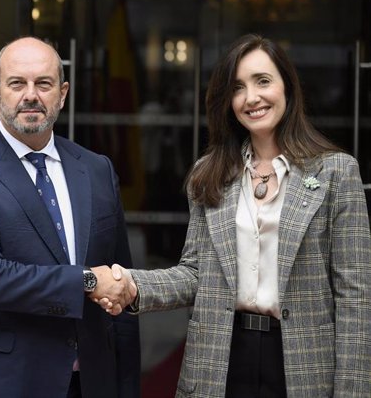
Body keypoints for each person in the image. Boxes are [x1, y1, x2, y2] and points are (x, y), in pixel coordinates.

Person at [101, 33, 371, 397]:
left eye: (263, 81)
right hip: (219, 359)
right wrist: (133, 285)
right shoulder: (209, 174)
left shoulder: (336, 173)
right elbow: (194, 273)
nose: (252, 98)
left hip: (303, 365)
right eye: (238, 87)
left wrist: (352, 391)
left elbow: (354, 296)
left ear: (287, 87)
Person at [0, 36, 140, 398]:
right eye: (17, 84)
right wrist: (86, 281)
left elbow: (119, 285)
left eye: (44, 84)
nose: (31, 95)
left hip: (90, 383)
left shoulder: (96, 169)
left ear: (63, 93)